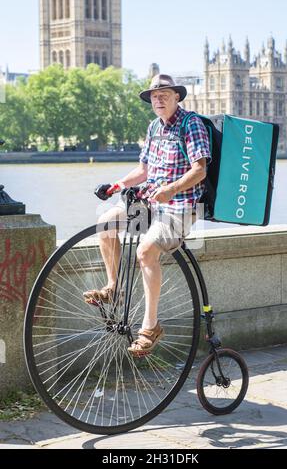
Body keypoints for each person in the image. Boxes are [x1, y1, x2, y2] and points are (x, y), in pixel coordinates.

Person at [83, 74, 211, 355]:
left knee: (145, 251)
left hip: (180, 207)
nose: (159, 99)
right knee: (105, 222)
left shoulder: (192, 125)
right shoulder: (153, 127)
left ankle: (151, 326)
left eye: (165, 94)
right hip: (151, 202)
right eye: (154, 96)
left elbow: (199, 169)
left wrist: (171, 189)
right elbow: (144, 171)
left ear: (177, 96)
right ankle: (114, 288)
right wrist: (117, 185)